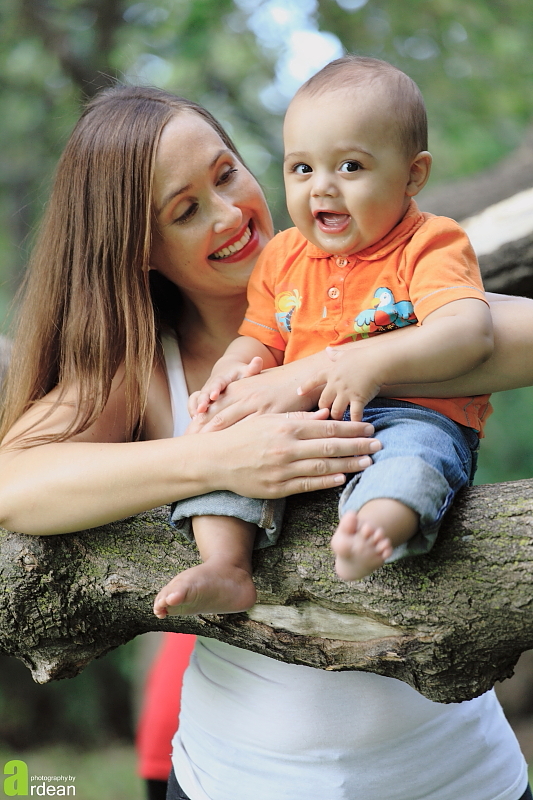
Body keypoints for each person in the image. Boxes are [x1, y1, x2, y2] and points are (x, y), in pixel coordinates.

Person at [0, 83, 532, 800]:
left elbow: (501, 335)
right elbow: (14, 483)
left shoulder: (383, 298)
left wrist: (313, 370)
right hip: (238, 780)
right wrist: (216, 458)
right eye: (186, 210)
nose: (229, 214)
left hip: (458, 777)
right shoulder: (144, 370)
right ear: (141, 250)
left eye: (226, 174)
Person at [154, 55, 493, 621]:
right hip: (307, 423)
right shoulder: (284, 256)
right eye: (302, 168)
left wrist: (372, 362)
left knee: (416, 460)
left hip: (411, 413)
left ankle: (373, 530)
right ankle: (225, 564)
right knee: (220, 444)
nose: (322, 188)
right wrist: (233, 368)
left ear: (413, 175)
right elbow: (261, 336)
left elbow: (469, 333)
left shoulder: (430, 244)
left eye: (351, 166)